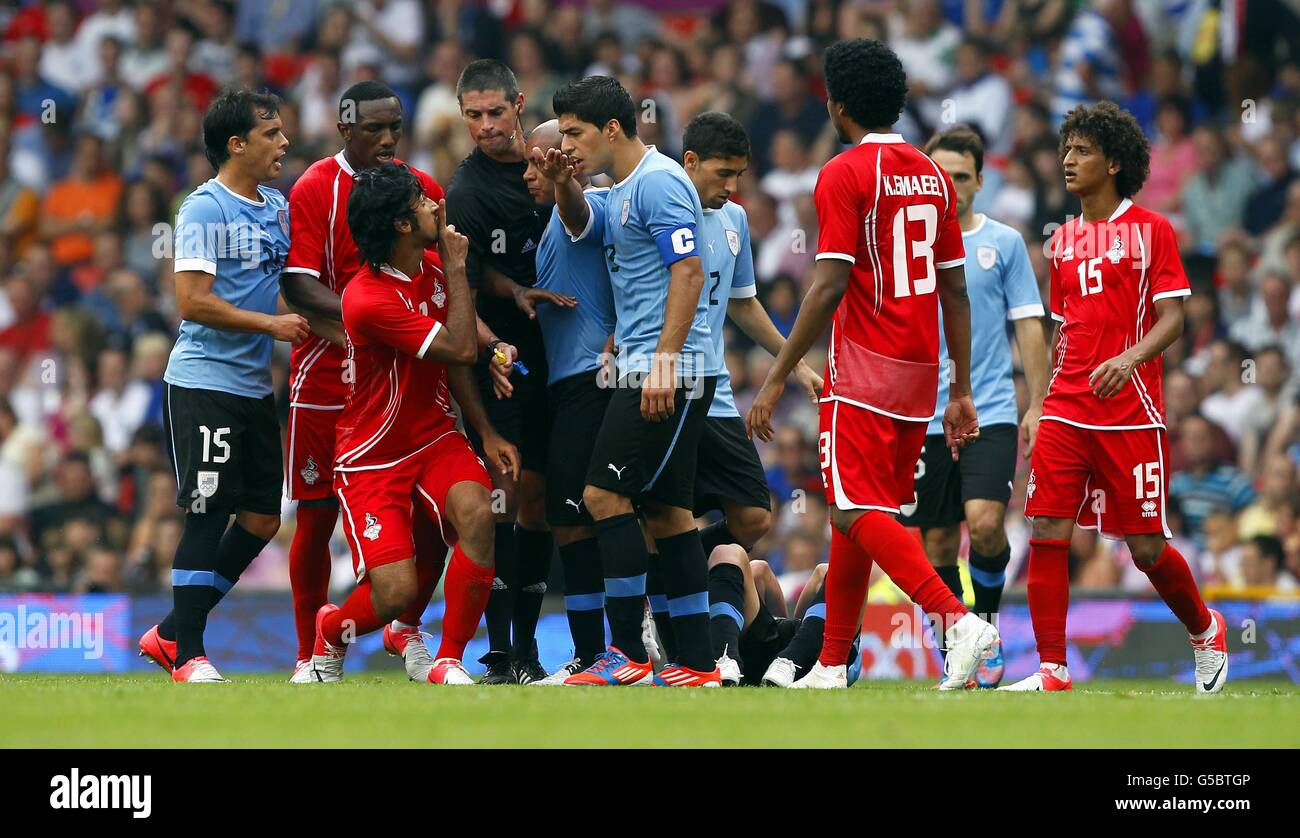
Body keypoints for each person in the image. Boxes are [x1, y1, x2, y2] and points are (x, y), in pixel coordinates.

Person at [747, 38, 999, 691]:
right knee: (852, 512)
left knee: (857, 508)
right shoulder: (934, 176)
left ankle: (956, 619)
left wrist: (775, 376)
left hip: (863, 368)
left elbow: (828, 283)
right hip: (920, 372)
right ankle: (832, 661)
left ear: (836, 104)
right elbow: (955, 289)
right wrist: (962, 387)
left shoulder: (843, 172)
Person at [1003, 101, 1228, 694]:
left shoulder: (1153, 230)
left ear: (1115, 162)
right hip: (1066, 408)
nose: (1068, 159)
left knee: (1146, 547)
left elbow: (1172, 318)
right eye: (1067, 149)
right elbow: (1063, 327)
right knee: (1047, 528)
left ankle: (1205, 631)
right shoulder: (1064, 239)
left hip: (1132, 413)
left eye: (1082, 150)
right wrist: (1038, 402)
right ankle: (1051, 669)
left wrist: (1129, 359)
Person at [537, 75, 720, 686]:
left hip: (666, 369)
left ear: (611, 128)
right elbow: (584, 226)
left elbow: (688, 272)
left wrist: (664, 361)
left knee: (602, 498)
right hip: (649, 367)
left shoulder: (661, 181)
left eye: (574, 132)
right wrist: (564, 183)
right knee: (669, 515)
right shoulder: (617, 190)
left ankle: (629, 657)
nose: (566, 142)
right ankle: (697, 663)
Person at [308, 163, 517, 686]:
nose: (435, 206)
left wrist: (494, 348)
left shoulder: (430, 264)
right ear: (402, 224)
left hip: (434, 436)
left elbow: (465, 337)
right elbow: (457, 345)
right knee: (396, 593)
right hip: (373, 454)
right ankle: (332, 630)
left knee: (478, 512)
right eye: (423, 202)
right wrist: (457, 270)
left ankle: (448, 659)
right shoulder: (368, 298)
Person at [278, 80, 448, 684]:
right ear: (344, 127)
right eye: (373, 128)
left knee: (433, 515)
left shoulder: (420, 188)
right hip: (326, 375)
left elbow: (446, 272)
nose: (386, 140)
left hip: (404, 379)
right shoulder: (314, 187)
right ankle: (309, 653)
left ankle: (406, 622)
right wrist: (362, 318)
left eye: (394, 128)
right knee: (317, 515)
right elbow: (297, 283)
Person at [137, 89, 308, 683]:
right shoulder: (203, 209)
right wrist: (272, 325)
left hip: (255, 387)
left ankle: (170, 632)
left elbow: (287, 285)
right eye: (271, 133)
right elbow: (191, 301)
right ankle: (189, 657)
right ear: (237, 144)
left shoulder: (277, 206)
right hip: (204, 382)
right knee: (206, 514)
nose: (284, 142)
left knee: (263, 517)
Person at [664, 110, 822, 667]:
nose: (732, 187)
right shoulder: (662, 207)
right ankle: (661, 601)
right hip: (663, 386)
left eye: (739, 175)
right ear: (690, 162)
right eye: (723, 173)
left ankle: (672, 569)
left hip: (718, 396)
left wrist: (793, 363)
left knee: (754, 514)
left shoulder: (732, 219)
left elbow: (744, 302)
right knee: (666, 510)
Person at [898, 125, 1050, 688]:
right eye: (939, 173)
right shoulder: (906, 242)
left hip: (988, 410)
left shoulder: (1003, 243)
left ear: (980, 181)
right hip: (920, 415)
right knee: (935, 541)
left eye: (961, 175)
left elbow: (1028, 324)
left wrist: (1037, 403)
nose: (950, 184)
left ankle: (985, 627)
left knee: (985, 525)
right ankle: (957, 648)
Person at [445, 60, 565, 684]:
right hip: (504, 364)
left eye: (496, 112)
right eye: (474, 116)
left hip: (565, 356)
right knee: (504, 497)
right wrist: (496, 339)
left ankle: (531, 649)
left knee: (541, 503)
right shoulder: (464, 193)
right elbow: (458, 288)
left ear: (519, 104)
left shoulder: (557, 159)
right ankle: (500, 652)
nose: (487, 127)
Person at [518, 120, 613, 684]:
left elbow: (578, 215)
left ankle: (598, 652)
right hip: (567, 381)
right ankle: (617, 645)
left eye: (542, 162)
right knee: (582, 520)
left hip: (589, 380)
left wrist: (563, 185)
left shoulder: (584, 203)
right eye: (530, 164)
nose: (531, 173)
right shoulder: (553, 213)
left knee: (577, 522)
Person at [704, 545, 861, 687]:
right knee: (729, 554)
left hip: (819, 659)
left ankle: (792, 657)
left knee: (832, 570)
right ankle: (724, 656)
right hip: (759, 653)